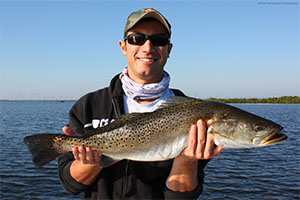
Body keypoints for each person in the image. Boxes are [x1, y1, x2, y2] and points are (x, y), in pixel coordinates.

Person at [58, 8, 223, 199]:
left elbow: (179, 197)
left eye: (159, 40)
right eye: (137, 38)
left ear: (169, 50)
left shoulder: (194, 113)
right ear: (123, 46)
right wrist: (92, 160)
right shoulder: (89, 104)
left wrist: (187, 159)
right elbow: (71, 185)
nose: (147, 47)